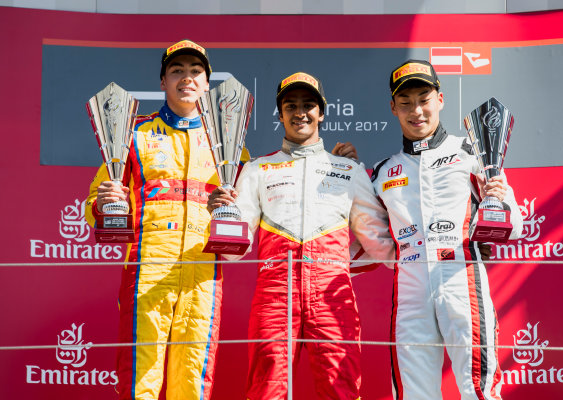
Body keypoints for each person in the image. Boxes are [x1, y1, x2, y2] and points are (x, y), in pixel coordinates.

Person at [207, 72, 395, 400]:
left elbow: (379, 244)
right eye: (290, 105)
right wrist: (221, 215)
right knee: (267, 389)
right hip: (275, 292)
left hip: (331, 295)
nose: (300, 112)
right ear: (280, 115)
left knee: (341, 388)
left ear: (322, 112)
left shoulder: (348, 169)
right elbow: (234, 251)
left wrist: (427, 253)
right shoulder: (257, 170)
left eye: (309, 104)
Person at [85, 39, 247, 400]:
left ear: (207, 84)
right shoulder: (133, 135)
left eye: (195, 71)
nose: (186, 78)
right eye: (176, 71)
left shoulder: (230, 144)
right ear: (163, 82)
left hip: (204, 272)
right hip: (147, 268)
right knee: (141, 375)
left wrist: (235, 209)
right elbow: (94, 201)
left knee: (193, 377)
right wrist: (105, 203)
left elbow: (245, 218)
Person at [369, 60, 523, 400]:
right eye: (406, 102)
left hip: (462, 276)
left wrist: (496, 203)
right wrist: (403, 258)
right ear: (393, 108)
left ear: (440, 99)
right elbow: (373, 238)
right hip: (409, 287)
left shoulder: (472, 153)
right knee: (414, 393)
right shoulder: (382, 172)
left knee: (479, 388)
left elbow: (514, 227)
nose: (416, 110)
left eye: (424, 98)